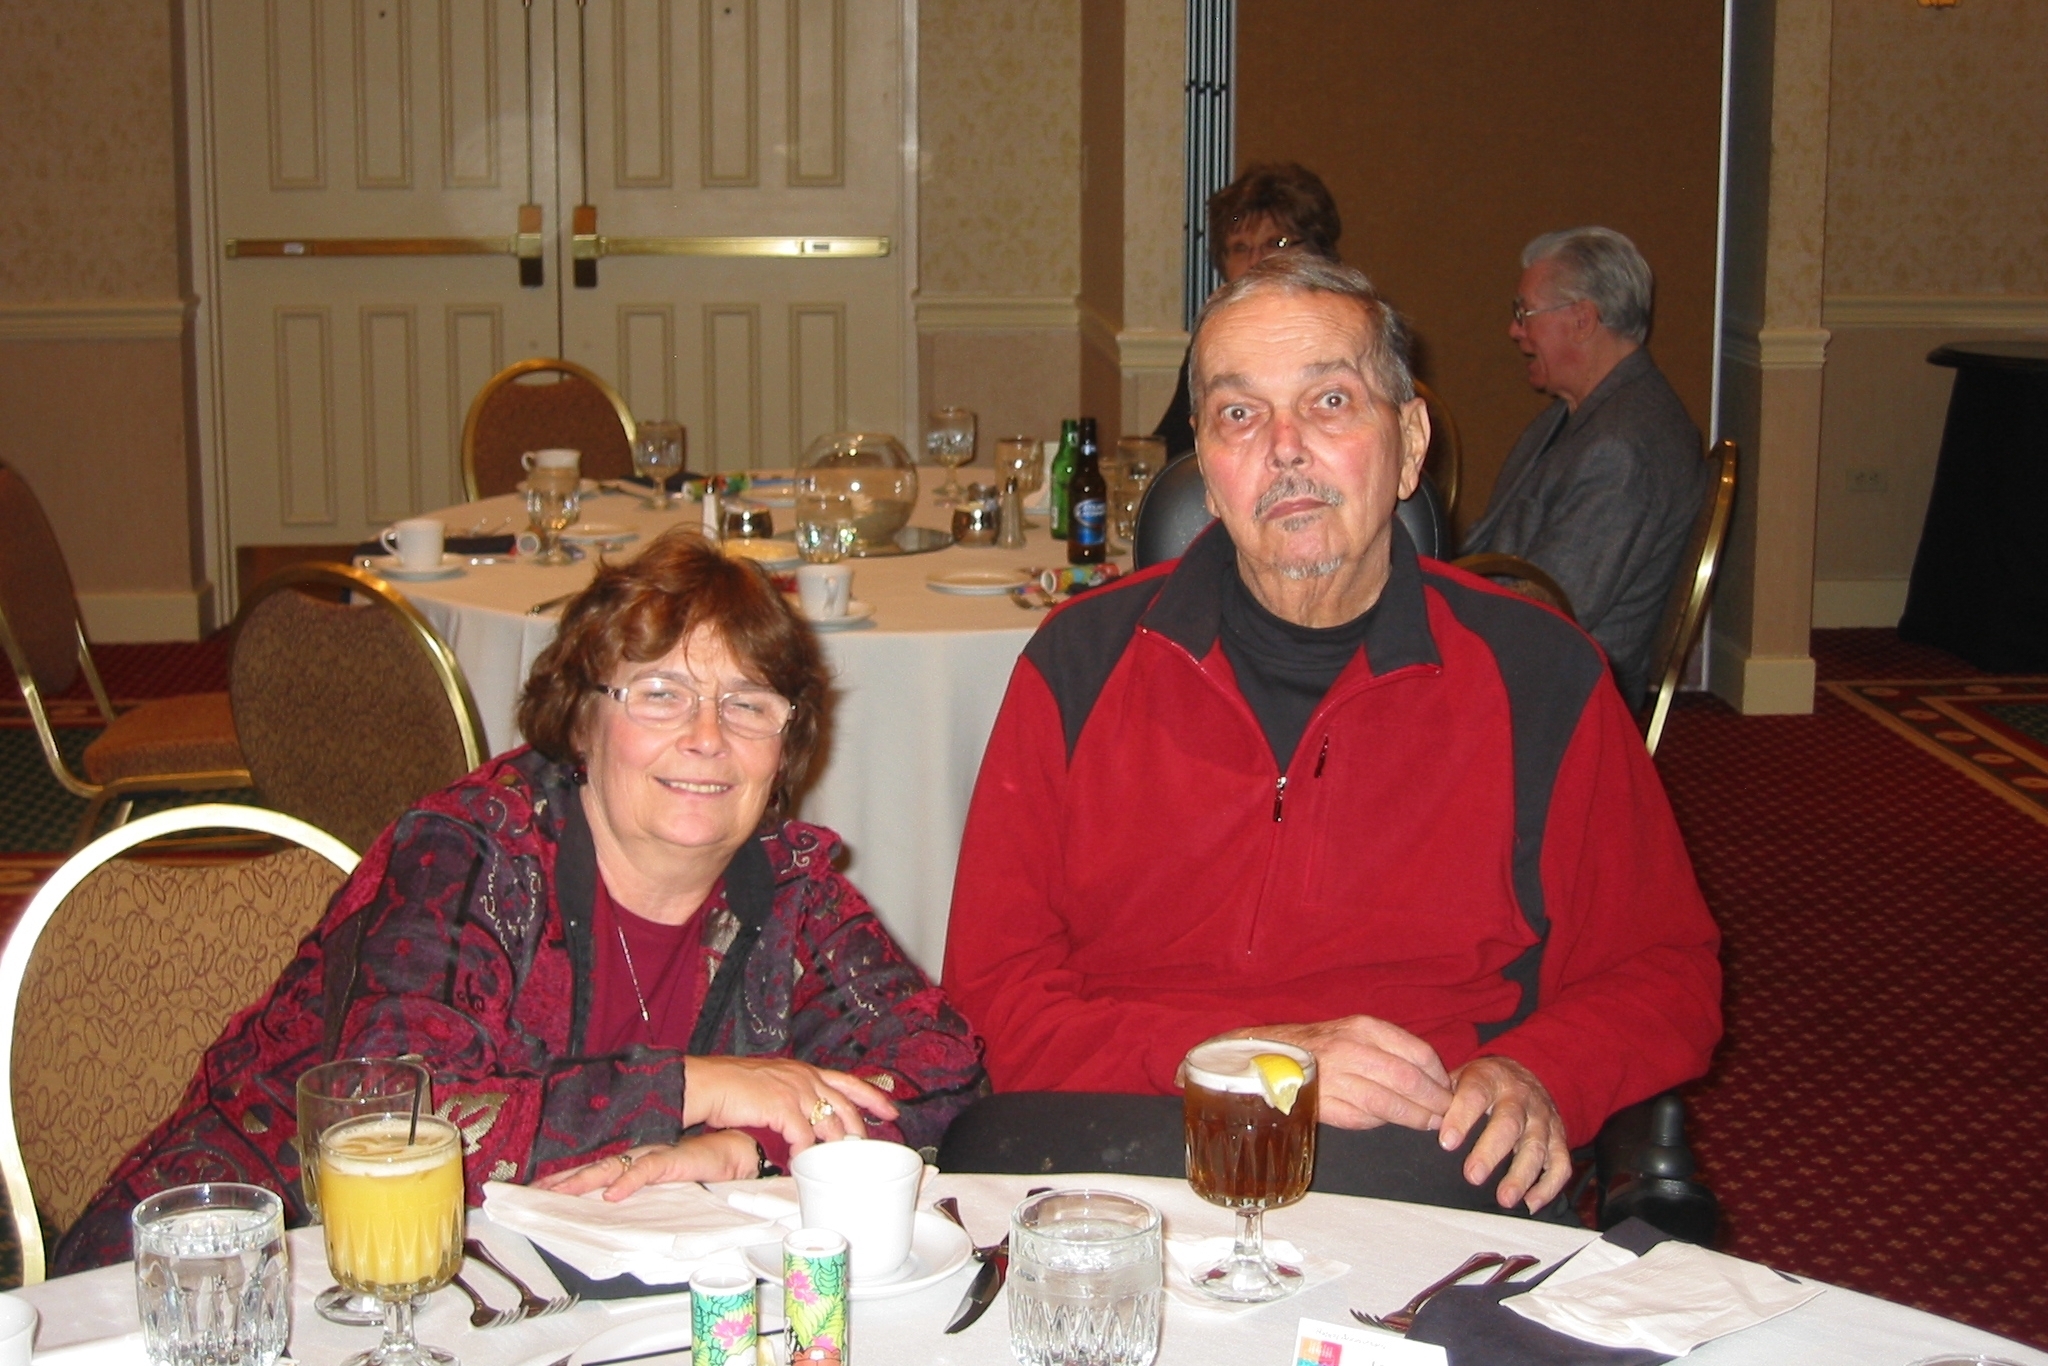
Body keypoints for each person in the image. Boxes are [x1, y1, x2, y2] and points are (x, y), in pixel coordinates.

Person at [942, 253, 1720, 1217]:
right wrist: (1243, 1061)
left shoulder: (1541, 678)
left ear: (1410, 444)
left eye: (1331, 402)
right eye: (1239, 414)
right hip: (1125, 1140)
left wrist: (1543, 1070)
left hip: (1406, 1159)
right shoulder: (1078, 665)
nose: (1284, 448)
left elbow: (1664, 972)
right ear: (1207, 473)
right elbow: (991, 996)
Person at [56, 530, 986, 1272]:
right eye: (660, 694)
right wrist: (698, 1087)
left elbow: (943, 1075)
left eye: (748, 705)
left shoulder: (789, 891)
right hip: (255, 1258)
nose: (708, 737)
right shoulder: (470, 853)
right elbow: (392, 1126)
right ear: (582, 720)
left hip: (553, 1285)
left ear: (786, 746)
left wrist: (742, 1143)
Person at [1460, 226, 1710, 708]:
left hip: (1559, 694)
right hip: (1529, 660)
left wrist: (1431, 625)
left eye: (1524, 313)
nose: (1515, 330)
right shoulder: (1584, 412)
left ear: (1581, 319)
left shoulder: (1623, 447)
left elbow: (1551, 608)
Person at [1152, 163, 1344, 460]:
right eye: (1240, 248)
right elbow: (1175, 446)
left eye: (1276, 243)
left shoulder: (1348, 337)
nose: (1256, 262)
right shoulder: (1217, 340)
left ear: (1317, 252)